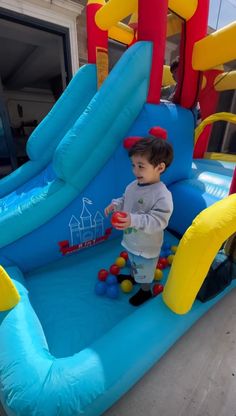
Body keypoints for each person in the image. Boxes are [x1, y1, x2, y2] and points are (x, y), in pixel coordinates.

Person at [104, 129, 174, 306]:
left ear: (159, 167)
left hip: (147, 246)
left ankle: (145, 291)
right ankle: (135, 277)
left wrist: (132, 220)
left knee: (146, 270)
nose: (135, 170)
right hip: (132, 240)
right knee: (135, 263)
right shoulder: (134, 185)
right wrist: (116, 205)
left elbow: (158, 221)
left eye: (141, 166)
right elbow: (126, 199)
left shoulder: (162, 195)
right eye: (133, 165)